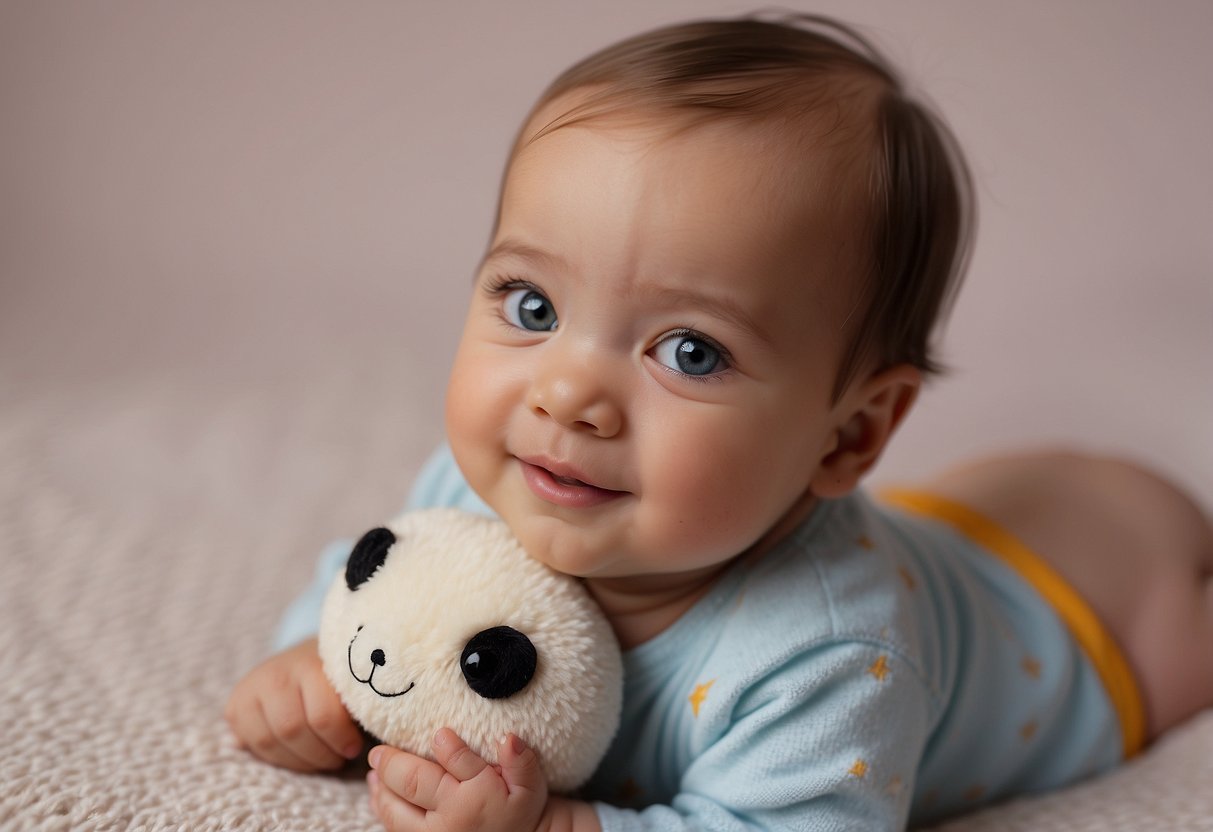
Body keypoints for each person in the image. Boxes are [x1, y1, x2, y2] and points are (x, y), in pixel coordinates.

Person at [224, 13, 1213, 831]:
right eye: (532, 307)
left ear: (847, 436)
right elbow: (374, 582)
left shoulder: (828, 649)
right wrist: (313, 665)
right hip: (957, 518)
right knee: (939, 521)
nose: (565, 394)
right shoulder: (491, 482)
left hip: (1087, 613)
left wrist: (560, 826)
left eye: (689, 350)